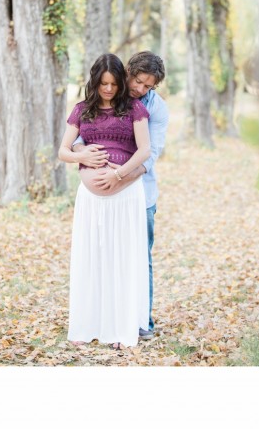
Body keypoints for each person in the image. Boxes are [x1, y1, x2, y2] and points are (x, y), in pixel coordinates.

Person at [71, 51, 168, 339]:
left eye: (148, 86)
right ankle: (103, 317)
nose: (140, 89)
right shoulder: (108, 91)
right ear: (128, 72)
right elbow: (81, 134)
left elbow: (151, 153)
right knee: (103, 253)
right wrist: (83, 155)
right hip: (98, 197)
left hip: (141, 192)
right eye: (138, 81)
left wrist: (120, 176)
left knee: (138, 256)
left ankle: (141, 321)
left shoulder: (155, 109)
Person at [58, 53, 151, 349]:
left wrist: (120, 175)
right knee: (92, 257)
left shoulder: (134, 109)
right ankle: (87, 325)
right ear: (95, 81)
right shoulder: (81, 110)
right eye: (103, 83)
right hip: (91, 201)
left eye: (113, 83)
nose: (109, 89)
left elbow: (145, 150)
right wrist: (81, 156)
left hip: (125, 196)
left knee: (122, 258)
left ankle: (121, 329)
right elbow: (62, 150)